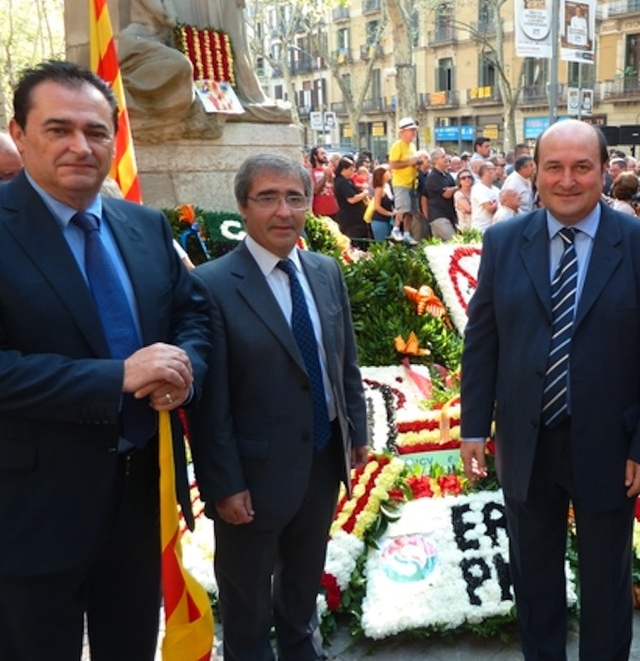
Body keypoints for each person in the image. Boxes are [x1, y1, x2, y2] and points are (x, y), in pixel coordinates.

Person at [0, 60, 210, 660]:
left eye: (96, 132)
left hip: (138, 497)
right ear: (20, 133)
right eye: (58, 129)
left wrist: (182, 371)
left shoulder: (142, 225)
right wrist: (116, 377)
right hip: (33, 508)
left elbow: (194, 316)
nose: (80, 146)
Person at [459, 119, 640, 660]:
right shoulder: (504, 240)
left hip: (611, 447)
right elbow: (483, 339)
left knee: (608, 585)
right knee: (534, 583)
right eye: (554, 166)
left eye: (582, 166)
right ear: (536, 172)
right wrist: (472, 427)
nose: (567, 180)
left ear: (604, 171)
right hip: (525, 441)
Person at [189, 152, 368, 661]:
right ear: (243, 207)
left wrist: (355, 433)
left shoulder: (324, 270)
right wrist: (224, 483)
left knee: (301, 591)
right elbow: (209, 401)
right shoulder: (211, 284)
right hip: (253, 476)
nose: (283, 211)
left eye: (295, 198)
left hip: (321, 459)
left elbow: (343, 360)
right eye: (267, 198)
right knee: (247, 606)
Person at [387, 117, 420, 245]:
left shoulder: (412, 146)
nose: (414, 132)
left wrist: (417, 163)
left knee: (410, 211)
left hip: (412, 183)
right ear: (403, 131)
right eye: (411, 130)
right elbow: (392, 164)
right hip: (401, 183)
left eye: (414, 130)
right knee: (403, 208)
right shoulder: (397, 145)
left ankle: (406, 233)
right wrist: (410, 162)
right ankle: (395, 229)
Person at [425, 148, 458, 240]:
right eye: (443, 156)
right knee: (453, 241)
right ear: (435, 160)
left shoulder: (447, 175)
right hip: (439, 216)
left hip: (449, 215)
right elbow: (446, 194)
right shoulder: (433, 177)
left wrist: (453, 189)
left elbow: (452, 190)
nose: (447, 158)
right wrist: (458, 187)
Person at [334, 156, 370, 242]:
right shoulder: (342, 182)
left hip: (358, 218)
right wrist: (364, 193)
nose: (352, 171)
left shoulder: (348, 181)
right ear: (344, 169)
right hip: (351, 219)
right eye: (350, 169)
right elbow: (351, 199)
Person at [470, 162, 499, 233]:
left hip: (493, 228)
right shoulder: (478, 188)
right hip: (481, 229)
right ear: (487, 171)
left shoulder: (497, 190)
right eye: (494, 169)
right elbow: (490, 209)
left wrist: (495, 204)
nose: (496, 172)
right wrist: (499, 205)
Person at [369, 165, 395, 241]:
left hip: (387, 220)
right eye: (387, 171)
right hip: (379, 221)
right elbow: (377, 206)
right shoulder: (379, 189)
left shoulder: (387, 186)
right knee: (382, 244)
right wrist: (389, 213)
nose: (390, 173)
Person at [454, 168, 474, 232]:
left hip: (477, 224)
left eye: (469, 177)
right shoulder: (458, 194)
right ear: (459, 181)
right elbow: (468, 209)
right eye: (463, 178)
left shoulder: (475, 191)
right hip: (465, 228)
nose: (467, 179)